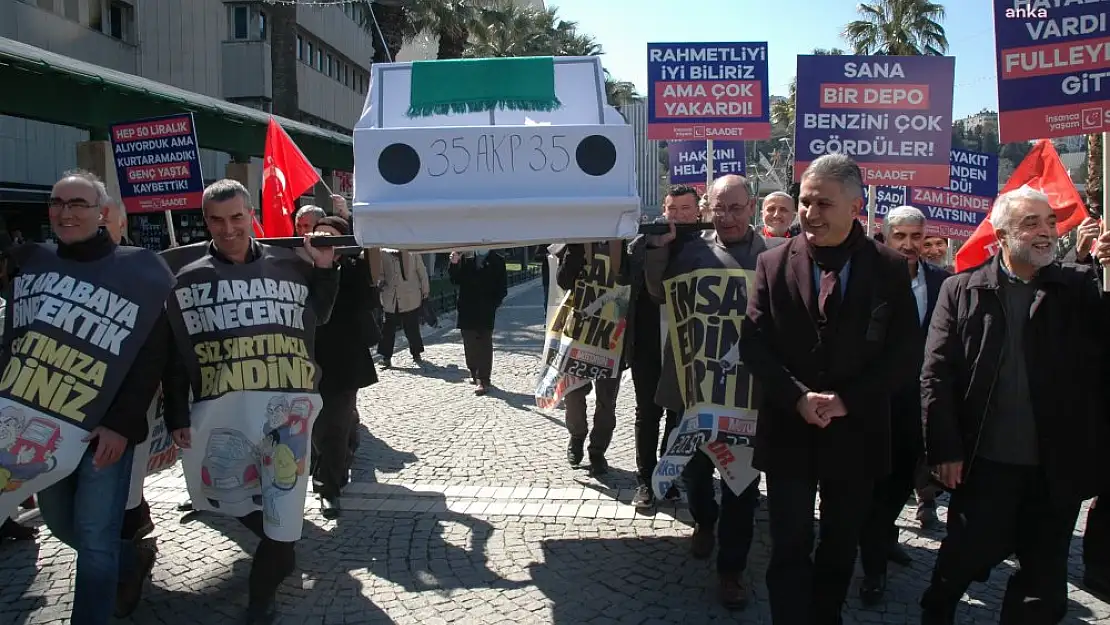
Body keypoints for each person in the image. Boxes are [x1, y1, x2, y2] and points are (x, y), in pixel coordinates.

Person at [740, 154, 919, 625]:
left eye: (824, 203)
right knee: (789, 545)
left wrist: (846, 401)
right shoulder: (772, 263)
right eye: (805, 201)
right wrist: (798, 396)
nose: (810, 213)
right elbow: (754, 345)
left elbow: (903, 356)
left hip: (857, 434)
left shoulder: (890, 267)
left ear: (856, 206)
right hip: (789, 430)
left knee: (840, 545)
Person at [920, 186, 1110, 625]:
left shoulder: (1079, 288)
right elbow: (936, 376)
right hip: (985, 464)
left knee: (1042, 587)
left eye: (1049, 223)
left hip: (1054, 469)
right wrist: (944, 450)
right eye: (1031, 223)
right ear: (1001, 235)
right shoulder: (962, 290)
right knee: (961, 561)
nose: (1045, 232)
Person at [0, 170, 176, 625]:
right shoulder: (31, 265)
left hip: (103, 434)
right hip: (44, 427)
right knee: (62, 524)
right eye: (57, 203)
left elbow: (151, 356)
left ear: (102, 214)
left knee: (94, 536)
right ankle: (129, 558)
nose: (65, 212)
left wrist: (120, 424)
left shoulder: (139, 270)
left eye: (77, 203)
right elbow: (15, 343)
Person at [163, 179, 338, 624]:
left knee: (281, 523)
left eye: (237, 217)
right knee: (228, 498)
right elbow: (177, 353)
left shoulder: (287, 266)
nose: (228, 228)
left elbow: (320, 314)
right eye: (217, 220)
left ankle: (261, 599)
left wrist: (324, 269)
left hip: (287, 417)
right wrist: (177, 415)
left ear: (251, 216)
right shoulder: (188, 277)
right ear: (205, 221)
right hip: (222, 415)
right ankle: (281, 549)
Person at [643, 175, 768, 608]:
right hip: (693, 390)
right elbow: (661, 294)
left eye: (736, 208)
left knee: (742, 484)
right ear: (709, 210)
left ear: (751, 207)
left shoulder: (773, 256)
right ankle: (704, 522)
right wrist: (658, 253)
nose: (728, 216)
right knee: (696, 474)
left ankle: (731, 570)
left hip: (745, 395)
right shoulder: (693, 252)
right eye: (720, 208)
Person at [857, 205, 950, 605]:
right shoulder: (866, 280)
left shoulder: (944, 282)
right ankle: (873, 567)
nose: (910, 245)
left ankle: (883, 535)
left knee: (898, 486)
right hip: (873, 405)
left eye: (917, 236)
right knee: (871, 487)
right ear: (885, 236)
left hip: (919, 406)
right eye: (902, 237)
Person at [629, 184, 699, 508]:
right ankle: (645, 480)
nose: (680, 216)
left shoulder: (706, 243)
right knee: (648, 411)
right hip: (647, 344)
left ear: (698, 212)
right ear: (664, 209)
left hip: (687, 345)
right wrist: (657, 247)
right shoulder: (642, 243)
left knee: (678, 412)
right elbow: (653, 290)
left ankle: (666, 475)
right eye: (674, 209)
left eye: (687, 209)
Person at [310, 214, 379, 519]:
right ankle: (340, 452)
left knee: (334, 426)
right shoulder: (301, 269)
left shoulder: (354, 270)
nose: (324, 242)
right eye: (318, 236)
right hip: (309, 360)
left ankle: (328, 489)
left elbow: (366, 300)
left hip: (343, 361)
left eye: (331, 237)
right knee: (314, 426)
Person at [555, 241, 629, 476]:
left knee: (606, 401)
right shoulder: (578, 241)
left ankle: (598, 450)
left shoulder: (625, 242)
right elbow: (563, 281)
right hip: (579, 333)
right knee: (574, 393)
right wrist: (575, 249)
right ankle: (577, 436)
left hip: (612, 336)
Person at [449, 248, 508, 396]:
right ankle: (473, 371)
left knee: (484, 343)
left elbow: (502, 288)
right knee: (469, 342)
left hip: (485, 310)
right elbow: (455, 279)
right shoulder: (465, 256)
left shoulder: (497, 260)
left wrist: (493, 305)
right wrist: (454, 263)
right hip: (467, 308)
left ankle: (484, 379)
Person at [377, 248, 429, 369]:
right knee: (388, 329)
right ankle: (386, 357)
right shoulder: (382, 253)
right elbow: (379, 273)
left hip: (409, 296)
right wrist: (380, 282)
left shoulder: (411, 251)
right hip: (391, 297)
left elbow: (421, 271)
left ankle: (416, 353)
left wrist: (425, 291)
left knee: (411, 327)